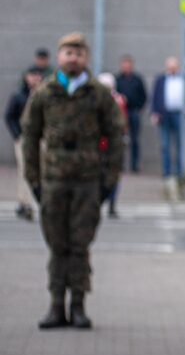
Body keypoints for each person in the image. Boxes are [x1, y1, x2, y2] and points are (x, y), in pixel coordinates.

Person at [21, 32, 125, 329]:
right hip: (53, 180)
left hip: (87, 181)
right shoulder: (45, 93)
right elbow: (30, 135)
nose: (73, 58)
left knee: (80, 246)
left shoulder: (98, 94)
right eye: (68, 52)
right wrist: (34, 178)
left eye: (79, 53)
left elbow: (116, 135)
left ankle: (78, 305)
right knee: (57, 245)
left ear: (86, 59)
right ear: (59, 57)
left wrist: (110, 180)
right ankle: (56, 305)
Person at [6, 67, 45, 220]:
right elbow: (9, 116)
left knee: (42, 170)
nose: (35, 78)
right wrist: (17, 135)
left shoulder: (44, 96)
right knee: (25, 170)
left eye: (38, 75)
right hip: (24, 138)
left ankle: (41, 200)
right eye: (32, 75)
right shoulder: (19, 96)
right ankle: (25, 202)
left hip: (41, 138)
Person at [150, 57, 185, 184]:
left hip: (179, 114)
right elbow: (155, 97)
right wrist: (155, 113)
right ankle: (167, 171)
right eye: (169, 67)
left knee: (179, 143)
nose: (172, 69)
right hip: (164, 114)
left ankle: (179, 171)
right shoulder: (161, 79)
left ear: (178, 67)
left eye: (174, 67)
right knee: (165, 144)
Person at [96, 73, 128, 218]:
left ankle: (112, 203)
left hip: (113, 140)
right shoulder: (94, 100)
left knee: (114, 171)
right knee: (98, 171)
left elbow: (123, 122)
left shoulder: (119, 100)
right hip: (100, 140)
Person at [115, 55, 148, 173]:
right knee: (119, 140)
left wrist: (139, 109)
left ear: (131, 66)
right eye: (124, 65)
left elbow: (144, 96)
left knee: (134, 140)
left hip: (133, 112)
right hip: (120, 113)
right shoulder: (117, 79)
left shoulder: (137, 79)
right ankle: (120, 164)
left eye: (128, 65)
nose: (126, 67)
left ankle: (134, 165)